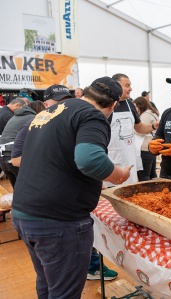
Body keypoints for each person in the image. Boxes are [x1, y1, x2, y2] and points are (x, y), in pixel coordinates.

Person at [12, 77, 132, 298]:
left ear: (86, 92)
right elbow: (90, 160)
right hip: (58, 222)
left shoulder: (51, 112)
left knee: (48, 283)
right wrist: (119, 175)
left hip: (24, 213)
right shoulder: (91, 115)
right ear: (113, 105)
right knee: (63, 292)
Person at [105, 73, 158, 187]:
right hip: (112, 158)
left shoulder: (129, 104)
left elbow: (139, 127)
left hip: (129, 157)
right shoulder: (107, 104)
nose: (131, 88)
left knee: (129, 189)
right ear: (117, 86)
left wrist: (154, 126)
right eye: (127, 85)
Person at [0, 100, 45, 187]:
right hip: (14, 156)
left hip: (2, 158)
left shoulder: (15, 117)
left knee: (17, 191)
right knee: (29, 188)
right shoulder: (33, 118)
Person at [133, 96, 159, 181]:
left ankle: (146, 193)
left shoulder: (145, 116)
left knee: (144, 175)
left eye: (135, 106)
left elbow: (140, 131)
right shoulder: (153, 113)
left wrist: (133, 128)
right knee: (152, 174)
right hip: (152, 147)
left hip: (144, 148)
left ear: (139, 105)